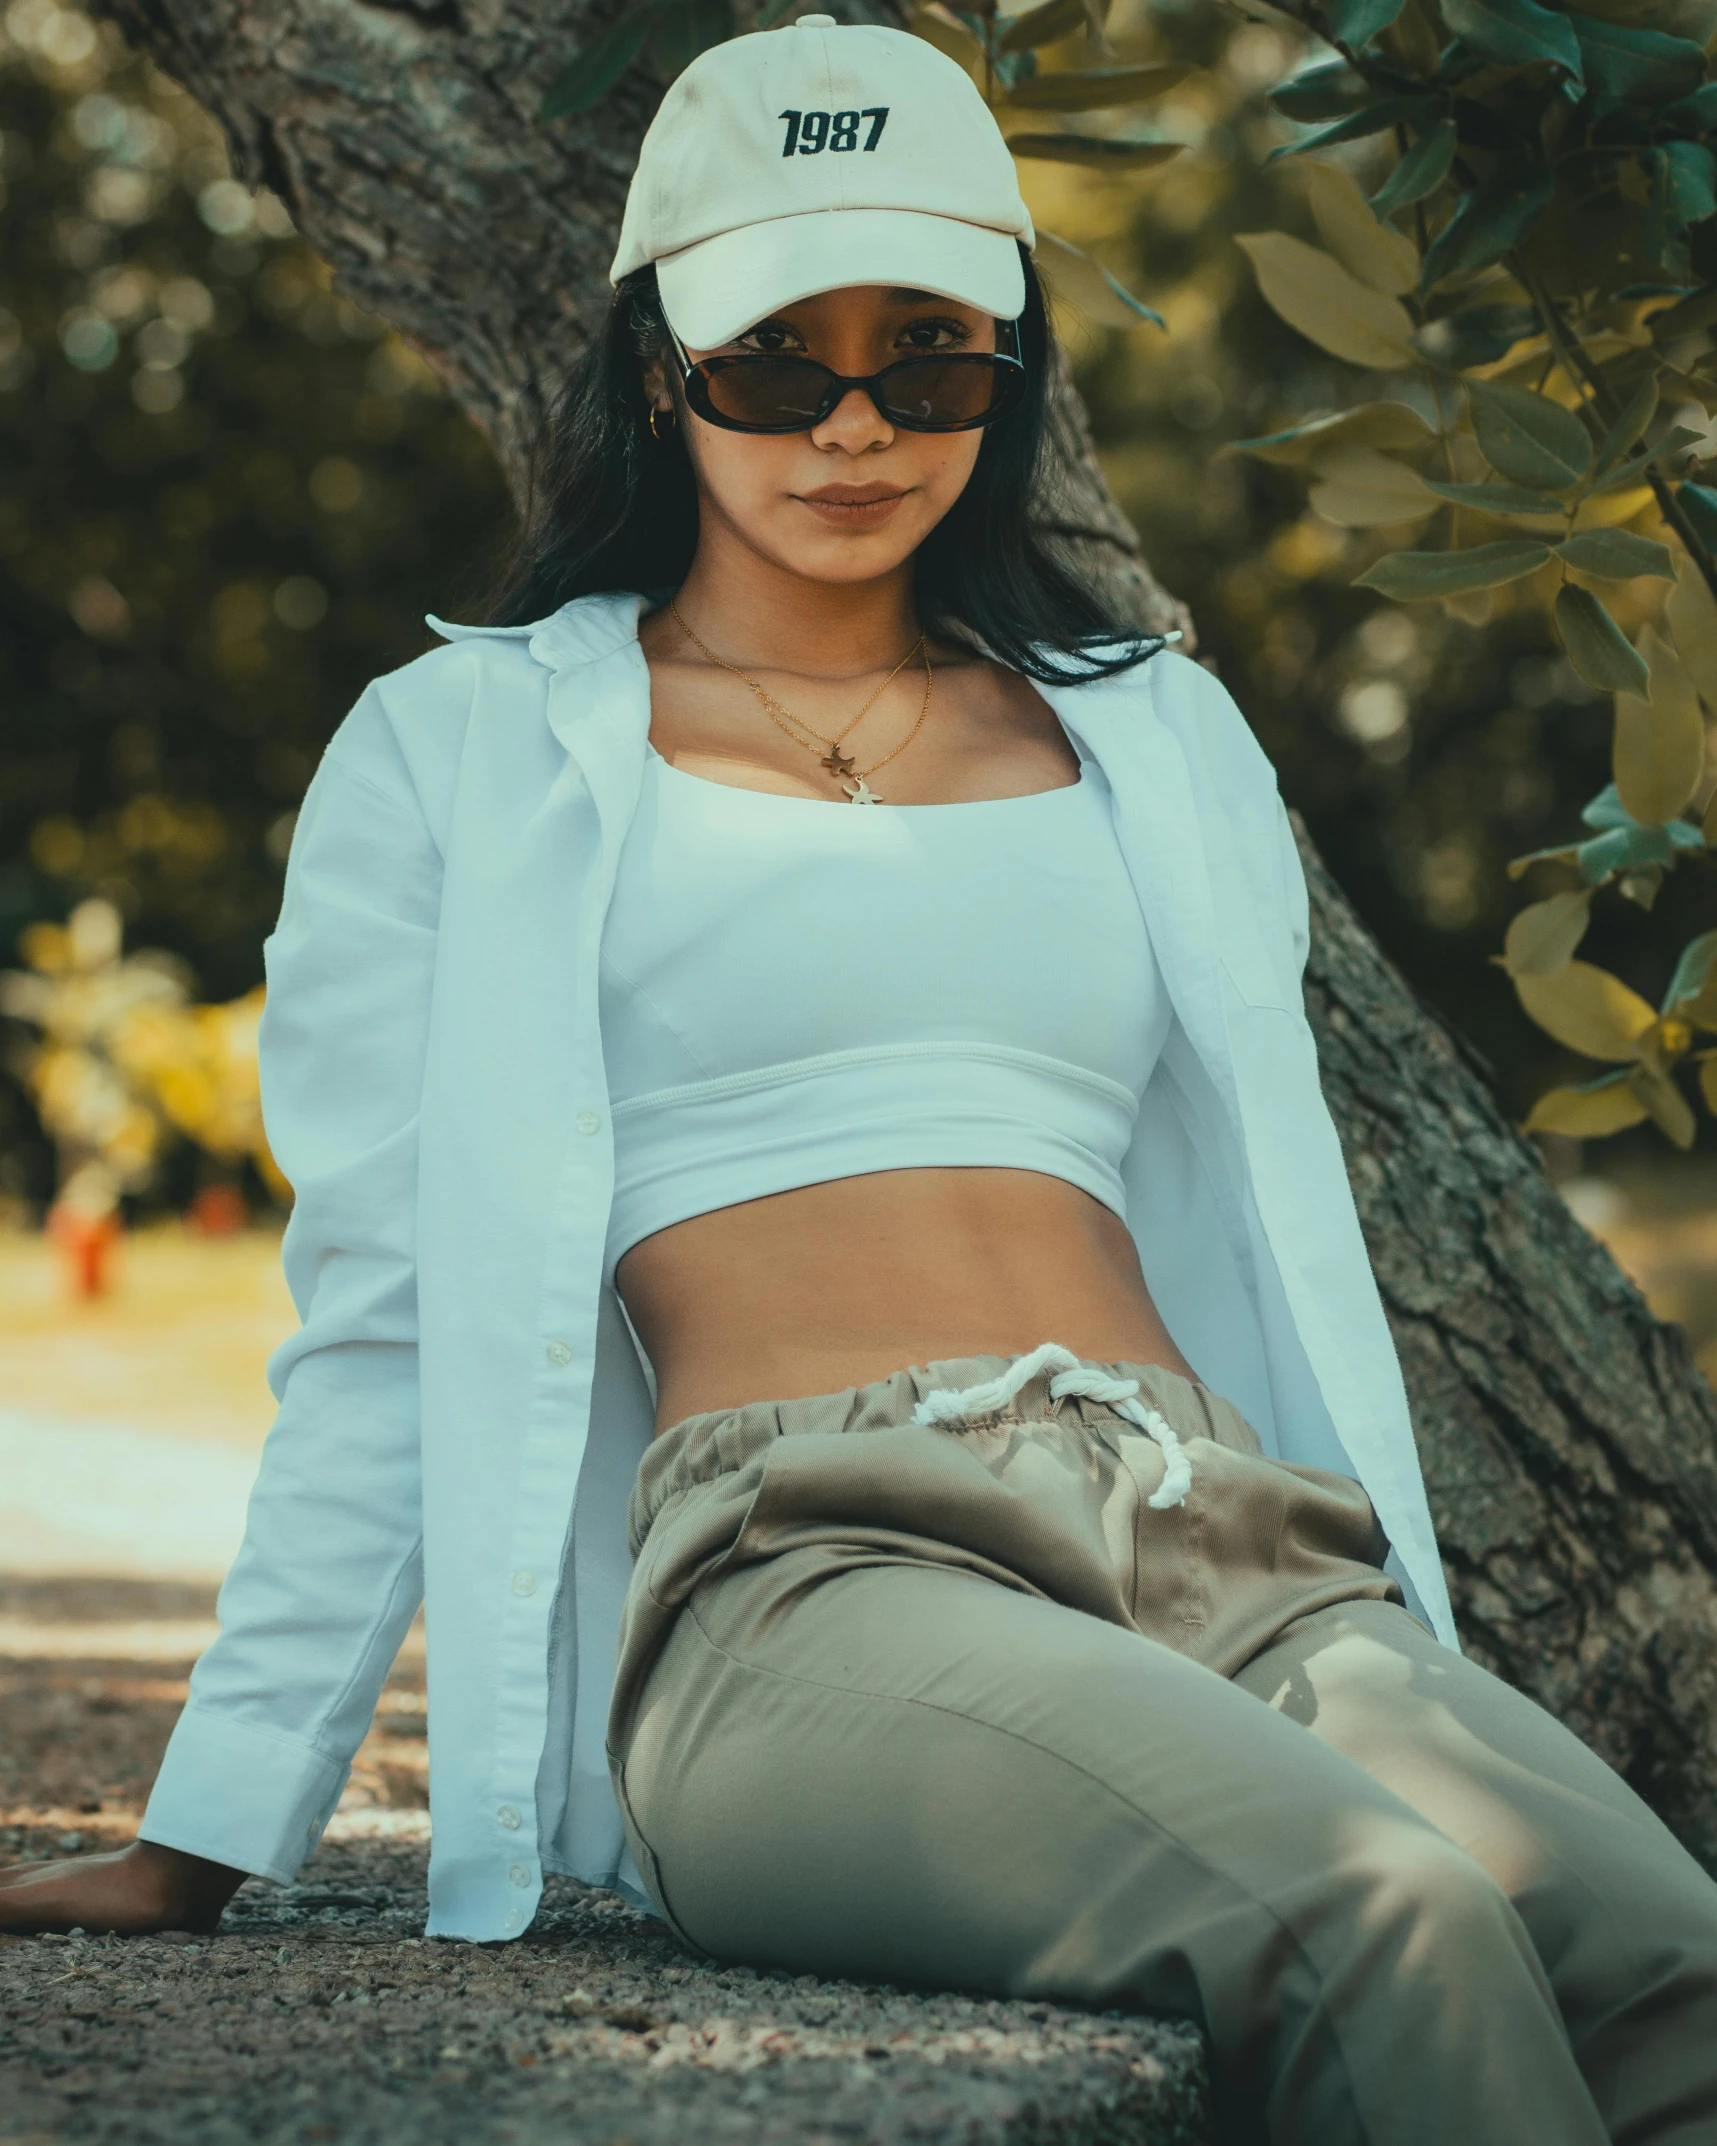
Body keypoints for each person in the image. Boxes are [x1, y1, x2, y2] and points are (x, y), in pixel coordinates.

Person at [5, 17, 1715, 2141]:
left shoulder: (1149, 732)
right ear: (659, 368)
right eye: (770, 360)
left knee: (1668, 1959)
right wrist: (209, 1821)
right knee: (1389, 1913)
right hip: (803, 1574)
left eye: (926, 357)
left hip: (1215, 1534)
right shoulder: (464, 754)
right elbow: (386, 1314)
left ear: (1006, 376)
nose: (851, 423)